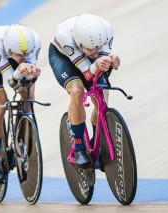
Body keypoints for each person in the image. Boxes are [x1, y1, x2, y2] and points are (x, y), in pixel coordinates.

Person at [49, 14, 120, 168]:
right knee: (77, 91)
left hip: (86, 56)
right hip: (63, 59)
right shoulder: (65, 36)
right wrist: (97, 62)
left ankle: (96, 141)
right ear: (80, 43)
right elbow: (87, 73)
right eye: (91, 50)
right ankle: (79, 147)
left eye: (98, 48)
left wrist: (112, 61)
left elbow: (101, 60)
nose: (95, 53)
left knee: (102, 95)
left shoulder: (106, 29)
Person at [0, 24, 42, 182]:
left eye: (26, 55)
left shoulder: (35, 41)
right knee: (0, 104)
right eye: (19, 55)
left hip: (13, 56)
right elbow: (12, 82)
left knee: (28, 94)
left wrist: (31, 74)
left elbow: (26, 82)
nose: (23, 58)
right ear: (10, 50)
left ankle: (22, 135)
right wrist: (20, 71)